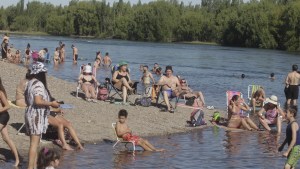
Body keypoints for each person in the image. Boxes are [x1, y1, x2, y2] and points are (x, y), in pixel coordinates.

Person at [25, 62, 60, 169]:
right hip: (36, 115)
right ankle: (30, 167)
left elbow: (29, 100)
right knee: (34, 144)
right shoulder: (39, 84)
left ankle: (34, 166)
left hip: (30, 113)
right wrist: (51, 103)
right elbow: (38, 100)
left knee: (33, 143)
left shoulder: (30, 83)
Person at [0, 78, 20, 166]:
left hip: (3, 116)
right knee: (6, 138)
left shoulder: (0, 92)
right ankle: (17, 159)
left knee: (6, 138)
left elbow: (8, 106)